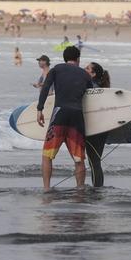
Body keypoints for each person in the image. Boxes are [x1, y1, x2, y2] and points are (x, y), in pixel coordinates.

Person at [37, 46, 93, 191]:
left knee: (47, 156)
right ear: (78, 59)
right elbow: (92, 98)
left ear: (64, 58)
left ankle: (47, 188)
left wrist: (40, 109)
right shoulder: (85, 75)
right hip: (77, 117)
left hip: (60, 115)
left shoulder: (56, 69)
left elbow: (45, 88)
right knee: (79, 159)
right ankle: (80, 188)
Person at [84, 61, 111, 187]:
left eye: (87, 68)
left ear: (93, 74)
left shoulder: (90, 88)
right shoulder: (102, 89)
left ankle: (97, 188)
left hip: (94, 128)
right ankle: (98, 187)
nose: (84, 69)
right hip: (103, 127)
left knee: (94, 161)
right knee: (95, 161)